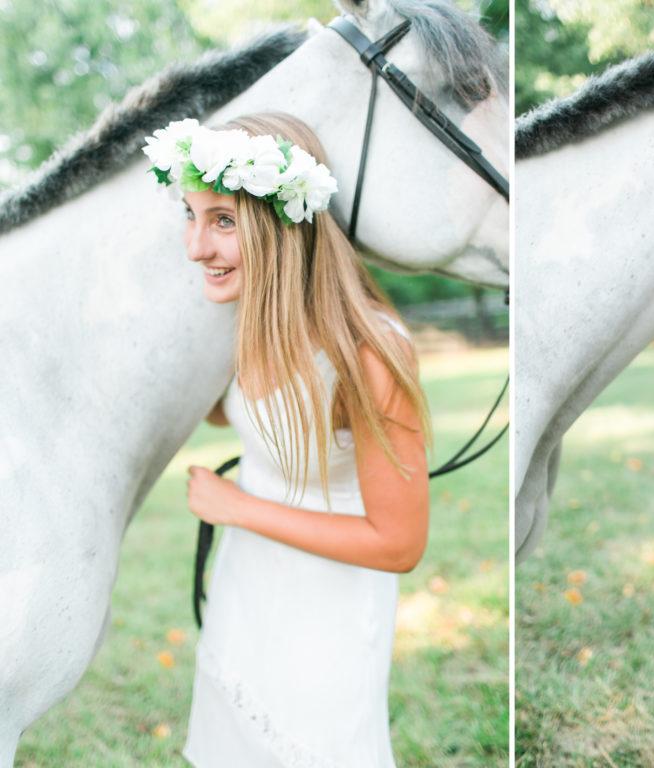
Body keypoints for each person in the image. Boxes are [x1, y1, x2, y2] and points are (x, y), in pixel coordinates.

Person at [143, 112, 430, 767]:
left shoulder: (371, 353)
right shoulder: (248, 326)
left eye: (222, 221)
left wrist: (236, 508)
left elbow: (400, 543)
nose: (195, 247)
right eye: (191, 216)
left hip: (326, 615)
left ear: (284, 220)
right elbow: (250, 418)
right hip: (250, 590)